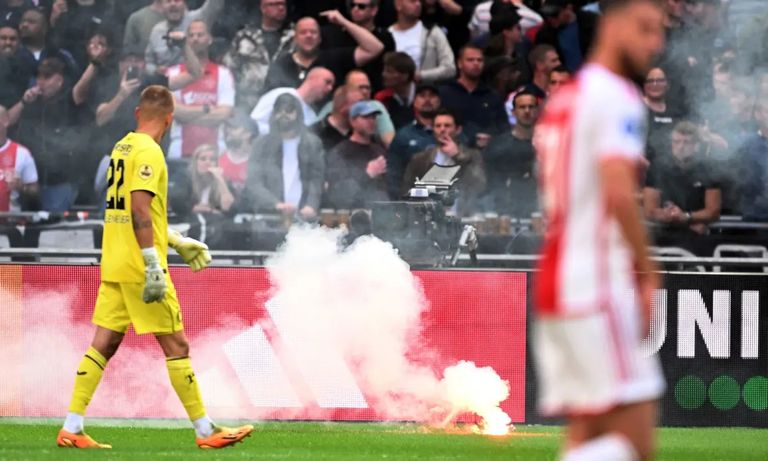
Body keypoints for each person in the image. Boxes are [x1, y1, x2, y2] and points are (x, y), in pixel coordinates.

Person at [56, 85, 253, 450]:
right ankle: (206, 431)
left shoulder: (123, 146)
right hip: (138, 266)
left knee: (104, 343)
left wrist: (175, 240)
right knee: (177, 344)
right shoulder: (150, 151)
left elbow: (129, 210)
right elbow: (139, 208)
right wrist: (153, 264)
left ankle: (72, 426)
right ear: (170, 119)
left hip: (115, 261)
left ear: (137, 113)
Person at [533, 0, 666, 460]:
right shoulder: (617, 95)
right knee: (635, 441)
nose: (655, 43)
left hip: (557, 280)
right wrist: (648, 271)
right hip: (595, 281)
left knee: (589, 434)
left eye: (660, 32)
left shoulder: (565, 97)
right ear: (611, 23)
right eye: (646, 28)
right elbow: (617, 191)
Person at [242, 93, 325, 219]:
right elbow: (254, 182)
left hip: (304, 215)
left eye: (289, 110)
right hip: (269, 216)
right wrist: (275, 204)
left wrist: (311, 205)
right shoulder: (261, 144)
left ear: (298, 113)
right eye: (279, 111)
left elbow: (316, 179)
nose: (283, 115)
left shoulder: (312, 143)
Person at [262, 14, 384, 91]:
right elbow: (268, 97)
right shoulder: (282, 64)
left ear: (320, 38)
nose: (309, 36)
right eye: (303, 32)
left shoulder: (333, 58)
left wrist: (343, 22)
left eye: (313, 32)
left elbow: (375, 48)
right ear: (295, 39)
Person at [167, 20, 235, 159]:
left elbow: (224, 113)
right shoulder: (173, 73)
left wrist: (187, 116)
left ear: (209, 39)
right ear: (186, 41)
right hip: (179, 150)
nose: (195, 39)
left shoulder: (224, 73)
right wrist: (206, 109)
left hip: (216, 152)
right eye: (191, 35)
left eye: (200, 35)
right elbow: (174, 112)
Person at [401, 108, 485, 214]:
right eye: (438, 126)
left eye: (447, 125)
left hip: (463, 216)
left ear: (458, 129)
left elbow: (479, 185)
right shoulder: (420, 159)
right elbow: (407, 193)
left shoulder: (473, 155)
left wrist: (457, 156)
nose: (442, 129)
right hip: (428, 217)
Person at [643, 121, 721, 235]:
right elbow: (649, 210)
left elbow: (713, 211)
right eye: (676, 142)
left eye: (686, 142)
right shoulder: (657, 167)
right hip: (666, 232)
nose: (680, 147)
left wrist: (686, 217)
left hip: (698, 235)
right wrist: (674, 217)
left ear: (696, 146)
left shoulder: (709, 168)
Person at [223, 0, 294, 109]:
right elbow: (229, 68)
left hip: (284, 103)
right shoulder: (245, 36)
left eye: (283, 4)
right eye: (275, 4)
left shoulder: (294, 36)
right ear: (263, 8)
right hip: (248, 102)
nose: (281, 8)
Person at [438, 44, 508, 147]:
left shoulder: (493, 96)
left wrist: (492, 139)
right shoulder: (444, 93)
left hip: (486, 151)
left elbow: (503, 128)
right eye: (470, 60)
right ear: (459, 63)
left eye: (479, 60)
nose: (476, 63)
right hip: (449, 148)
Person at [483, 90, 538, 217]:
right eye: (522, 107)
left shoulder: (548, 145)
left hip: (540, 211)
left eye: (531, 107)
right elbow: (491, 184)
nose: (527, 111)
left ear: (537, 110)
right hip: (507, 212)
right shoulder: (498, 147)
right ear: (513, 112)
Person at [326, 100, 389, 209]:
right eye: (366, 117)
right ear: (352, 121)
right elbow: (337, 194)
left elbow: (386, 187)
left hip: (379, 213)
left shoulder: (379, 151)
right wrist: (367, 174)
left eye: (373, 117)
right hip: (352, 214)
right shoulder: (340, 152)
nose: (371, 121)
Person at [386, 83, 440, 198]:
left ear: (439, 101)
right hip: (413, 200)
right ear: (414, 102)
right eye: (422, 95)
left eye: (432, 95)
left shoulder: (449, 133)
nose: (427, 99)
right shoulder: (403, 136)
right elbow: (394, 175)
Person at [144, 0, 224, 76]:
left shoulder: (198, 19)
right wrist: (155, 70)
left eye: (177, 0)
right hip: (166, 81)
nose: (173, 4)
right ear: (162, 7)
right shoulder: (156, 31)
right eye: (168, 1)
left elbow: (215, 4)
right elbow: (149, 63)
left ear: (184, 3)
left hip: (197, 79)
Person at [251, 66, 335, 135]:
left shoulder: (312, 117)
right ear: (312, 78)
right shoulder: (280, 94)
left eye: (332, 85)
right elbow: (255, 122)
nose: (330, 88)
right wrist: (280, 136)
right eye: (327, 82)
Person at [388, 0, 455, 84]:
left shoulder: (432, 31)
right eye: (412, 1)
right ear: (398, 4)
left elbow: (450, 68)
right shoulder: (388, 34)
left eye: (419, 1)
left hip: (424, 89)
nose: (418, 4)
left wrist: (421, 76)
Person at [0, 104, 37, 212]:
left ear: (5, 121)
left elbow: (34, 191)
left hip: (9, 219)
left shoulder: (21, 153)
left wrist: (20, 187)